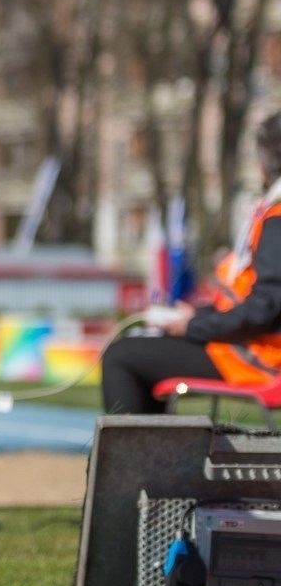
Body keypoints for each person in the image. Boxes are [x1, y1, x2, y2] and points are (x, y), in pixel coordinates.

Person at [102, 112, 281, 414]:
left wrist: (194, 325)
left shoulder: (277, 220)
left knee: (121, 356)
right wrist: (198, 315)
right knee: (140, 349)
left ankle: (136, 462)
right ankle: (152, 459)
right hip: (253, 349)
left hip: (260, 361)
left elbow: (266, 310)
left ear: (264, 164)